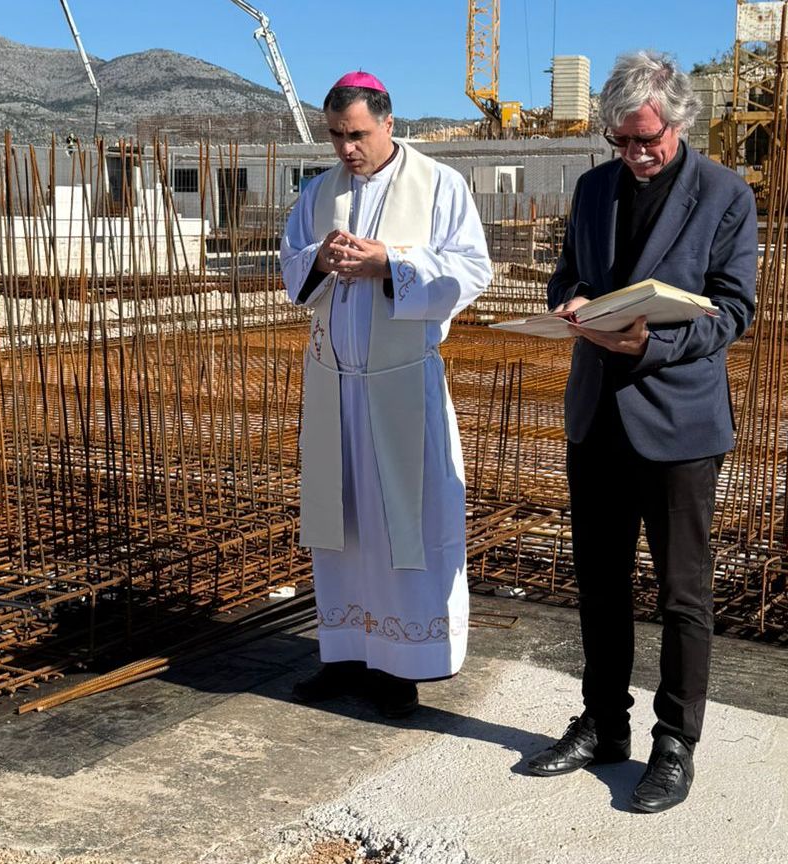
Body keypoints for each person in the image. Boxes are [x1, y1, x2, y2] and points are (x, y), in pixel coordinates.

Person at [524, 50, 757, 813]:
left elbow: (733, 310)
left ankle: (676, 741)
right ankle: (604, 724)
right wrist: (571, 301)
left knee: (683, 592)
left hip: (679, 424)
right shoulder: (594, 189)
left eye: (646, 140)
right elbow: (567, 273)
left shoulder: (724, 195)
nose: (634, 154)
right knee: (600, 582)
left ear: (679, 121)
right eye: (621, 141)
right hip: (597, 415)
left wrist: (650, 343)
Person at [279, 71, 492, 718]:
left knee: (404, 524)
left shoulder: (439, 184)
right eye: (335, 136)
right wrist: (319, 260)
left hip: (401, 384)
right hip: (334, 387)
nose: (346, 148)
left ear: (389, 123)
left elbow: (472, 269)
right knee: (341, 524)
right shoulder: (318, 192)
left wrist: (389, 264)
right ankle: (344, 654)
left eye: (358, 135)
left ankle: (399, 665)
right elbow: (290, 264)